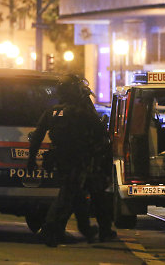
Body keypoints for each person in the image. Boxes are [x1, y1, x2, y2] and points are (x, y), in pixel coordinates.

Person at [27, 74, 107, 247]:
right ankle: (49, 230)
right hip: (79, 159)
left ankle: (86, 228)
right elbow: (101, 133)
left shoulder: (52, 112)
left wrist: (31, 160)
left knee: (76, 194)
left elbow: (37, 136)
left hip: (59, 160)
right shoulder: (82, 113)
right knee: (67, 195)